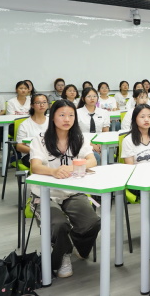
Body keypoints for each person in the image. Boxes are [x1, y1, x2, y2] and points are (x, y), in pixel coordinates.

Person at [29, 99, 100, 278]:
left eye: (71, 115)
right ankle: (63, 254)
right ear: (52, 117)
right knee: (59, 224)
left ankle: (73, 244)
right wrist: (53, 171)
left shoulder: (79, 138)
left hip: (71, 192)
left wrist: (72, 167)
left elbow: (92, 160)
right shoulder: (40, 139)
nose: (67, 119)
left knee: (92, 222)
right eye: (61, 115)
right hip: (45, 194)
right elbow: (35, 166)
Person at [121, 104, 150, 243]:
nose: (146, 119)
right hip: (137, 181)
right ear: (135, 119)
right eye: (142, 116)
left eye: (149, 116)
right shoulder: (128, 140)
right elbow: (129, 169)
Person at [16, 93, 50, 168]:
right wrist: (36, 151)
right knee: (44, 165)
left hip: (50, 153)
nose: (42, 105)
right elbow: (19, 146)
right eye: (38, 103)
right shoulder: (25, 124)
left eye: (44, 102)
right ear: (32, 105)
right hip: (31, 154)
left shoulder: (52, 122)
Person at [76, 87, 110, 162]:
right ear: (83, 98)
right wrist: (91, 145)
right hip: (82, 143)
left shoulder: (104, 112)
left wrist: (100, 144)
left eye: (94, 96)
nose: (92, 98)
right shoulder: (77, 113)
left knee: (107, 154)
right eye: (89, 96)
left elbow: (105, 132)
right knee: (95, 156)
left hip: (100, 143)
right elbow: (76, 134)